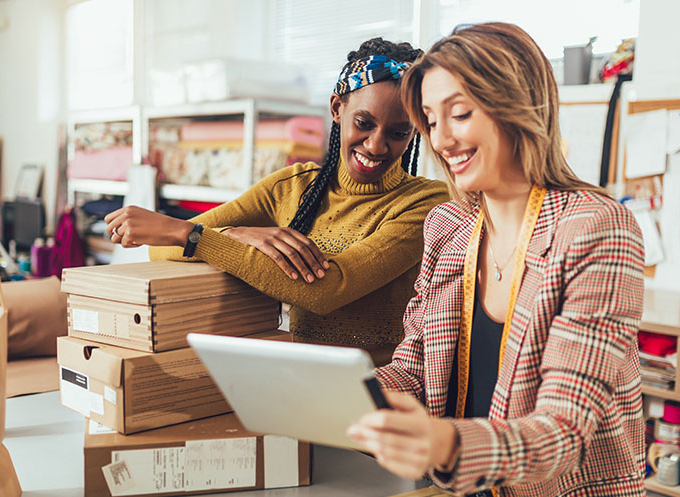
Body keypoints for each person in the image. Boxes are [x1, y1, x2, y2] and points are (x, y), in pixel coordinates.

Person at [347, 23, 646, 497]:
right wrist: (346, 394)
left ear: (518, 107)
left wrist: (444, 444)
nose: (442, 140)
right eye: (430, 119)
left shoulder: (595, 228)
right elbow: (415, 371)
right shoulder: (448, 227)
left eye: (459, 113)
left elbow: (562, 432)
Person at [105, 38, 449, 366]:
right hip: (295, 382)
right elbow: (161, 247)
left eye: (398, 132)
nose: (376, 146)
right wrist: (235, 233)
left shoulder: (425, 203)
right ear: (337, 109)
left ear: (415, 131)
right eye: (364, 123)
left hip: (380, 393)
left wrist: (195, 235)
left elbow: (328, 289)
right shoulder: (293, 185)